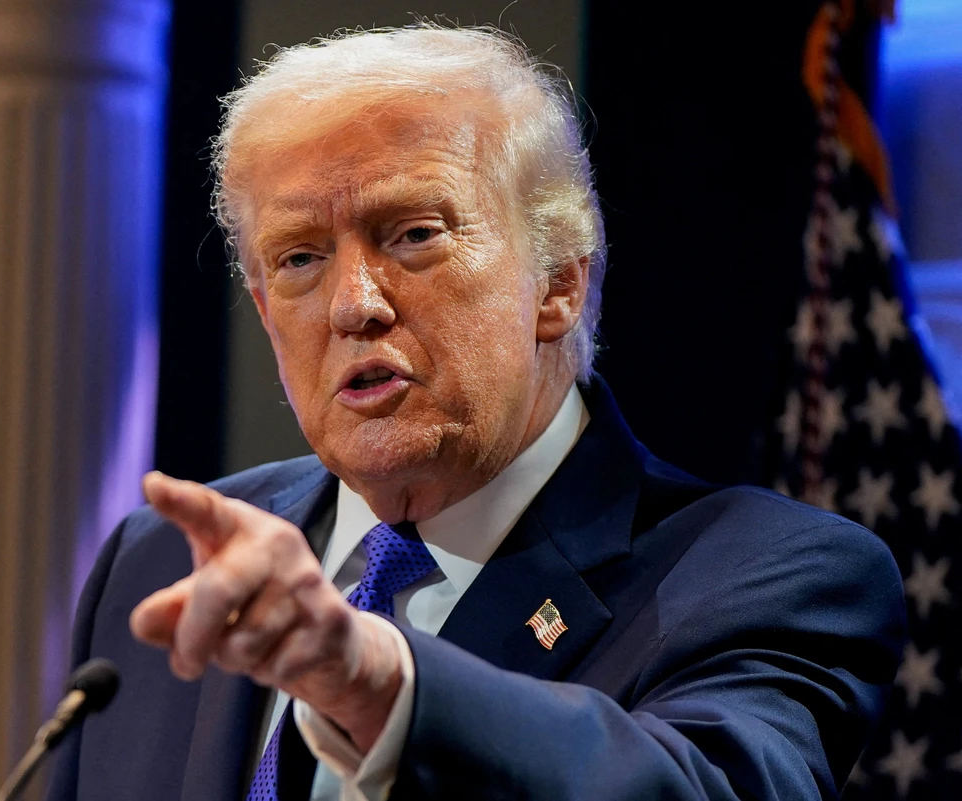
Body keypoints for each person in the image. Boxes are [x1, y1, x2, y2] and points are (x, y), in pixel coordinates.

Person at [47, 25, 905, 801]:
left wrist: (374, 678)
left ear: (560, 281)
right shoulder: (162, 561)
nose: (354, 304)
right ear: (267, 311)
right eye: (300, 258)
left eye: (414, 234)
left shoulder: (773, 575)